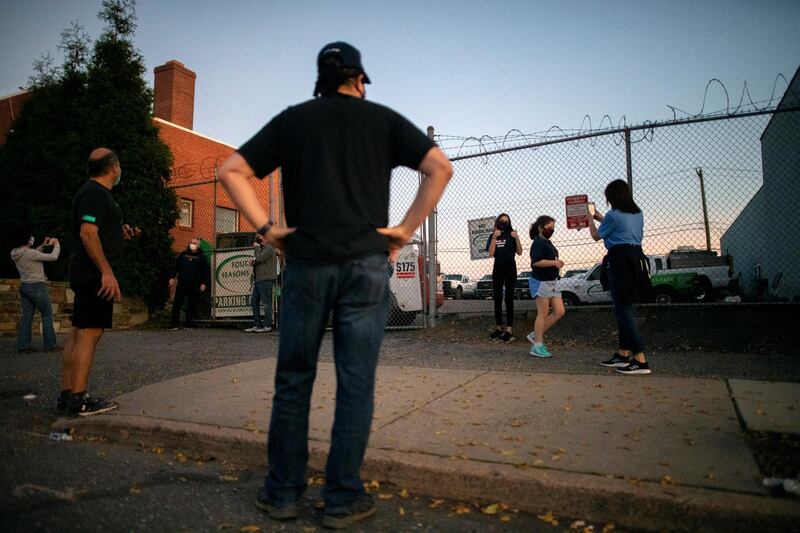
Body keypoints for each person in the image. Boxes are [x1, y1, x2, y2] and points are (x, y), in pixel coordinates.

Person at [218, 41, 453, 529]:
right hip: (364, 264)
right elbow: (440, 167)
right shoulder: (382, 119)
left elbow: (230, 171)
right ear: (360, 80)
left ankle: (282, 493)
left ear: (320, 83)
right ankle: (342, 498)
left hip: (305, 263)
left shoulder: (294, 119)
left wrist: (267, 230)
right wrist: (405, 230)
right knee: (355, 382)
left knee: (294, 378)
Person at [62, 148, 141, 417]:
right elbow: (87, 233)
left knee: (79, 331)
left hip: (85, 272)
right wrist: (106, 271)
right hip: (93, 275)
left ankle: (67, 394)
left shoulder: (93, 194)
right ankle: (78, 399)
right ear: (114, 167)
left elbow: (97, 231)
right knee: (90, 332)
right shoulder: (95, 193)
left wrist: (120, 234)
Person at [588, 179, 652, 375]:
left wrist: (589, 219)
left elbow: (596, 236)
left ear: (612, 197)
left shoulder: (613, 216)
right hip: (636, 259)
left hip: (620, 261)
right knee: (624, 307)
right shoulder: (636, 213)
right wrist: (599, 217)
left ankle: (640, 359)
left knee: (623, 310)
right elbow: (616, 226)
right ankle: (623, 354)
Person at [10, 232, 61, 353]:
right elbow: (53, 257)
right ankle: (50, 345)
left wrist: (43, 245)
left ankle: (23, 347)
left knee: (27, 317)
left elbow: (33, 254)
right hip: (37, 286)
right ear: (28, 240)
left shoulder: (15, 253)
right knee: (47, 314)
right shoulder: (30, 253)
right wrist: (57, 245)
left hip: (25, 287)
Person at [526, 215, 565, 357]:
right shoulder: (537, 243)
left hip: (552, 281)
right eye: (550, 228)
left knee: (559, 311)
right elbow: (536, 262)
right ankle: (537, 346)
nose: (552, 230)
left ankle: (535, 334)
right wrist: (554, 263)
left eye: (553, 228)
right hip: (541, 282)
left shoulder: (548, 242)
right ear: (541, 228)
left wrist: (556, 264)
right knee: (542, 314)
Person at [486, 213, 522, 343]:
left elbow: (519, 252)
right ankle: (498, 328)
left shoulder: (511, 234)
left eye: (506, 221)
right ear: (498, 221)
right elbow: (491, 253)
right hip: (498, 267)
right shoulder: (493, 235)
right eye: (502, 220)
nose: (504, 222)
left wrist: (516, 238)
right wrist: (495, 237)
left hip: (510, 267)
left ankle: (509, 330)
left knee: (508, 298)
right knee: (497, 298)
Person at [167, 237, 210, 330]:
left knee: (192, 304)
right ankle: (173, 324)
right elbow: (175, 266)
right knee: (177, 303)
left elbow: (205, 272)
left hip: (195, 284)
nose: (192, 244)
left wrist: (204, 283)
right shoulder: (182, 255)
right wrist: (172, 277)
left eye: (194, 243)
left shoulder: (202, 258)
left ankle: (188, 324)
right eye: (191, 242)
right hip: (182, 282)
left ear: (198, 246)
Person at [246, 235, 278, 332]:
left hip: (266, 279)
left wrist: (256, 248)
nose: (258, 238)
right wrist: (253, 262)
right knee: (254, 302)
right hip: (259, 279)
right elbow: (258, 259)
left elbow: (259, 258)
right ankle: (257, 324)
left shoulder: (270, 247)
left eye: (260, 236)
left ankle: (267, 326)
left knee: (266, 303)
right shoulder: (262, 248)